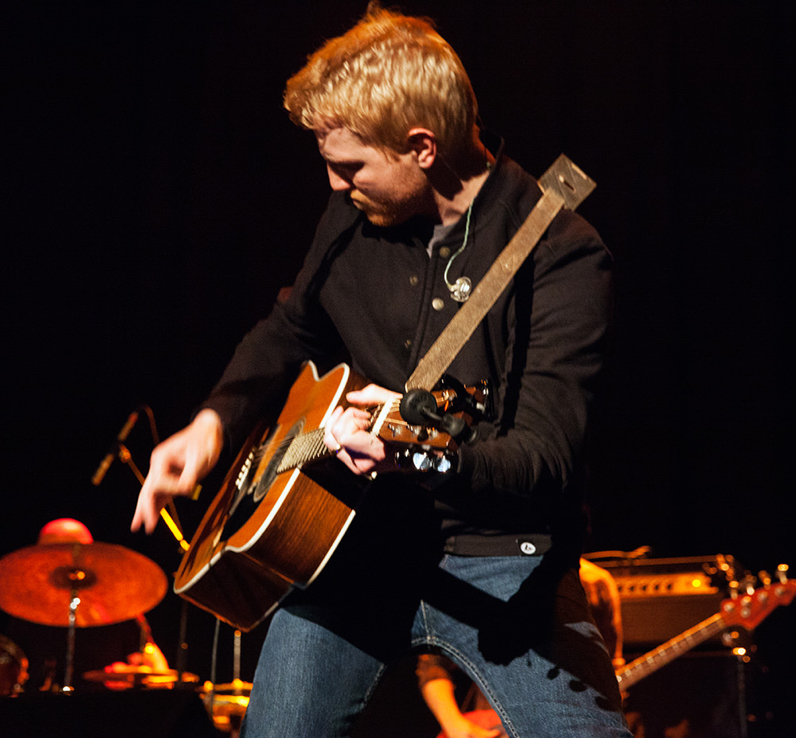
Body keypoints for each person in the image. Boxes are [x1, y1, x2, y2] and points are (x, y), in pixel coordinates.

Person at [132, 5, 630, 736]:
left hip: (504, 562)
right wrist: (213, 423)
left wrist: (423, 456)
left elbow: (546, 459)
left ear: (421, 147)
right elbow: (289, 327)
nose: (336, 186)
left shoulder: (563, 251)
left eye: (350, 166)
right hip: (359, 545)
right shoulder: (356, 214)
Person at [417, 558, 626, 738]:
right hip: (496, 729)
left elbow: (608, 669)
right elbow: (433, 663)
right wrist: (454, 724)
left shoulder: (594, 584)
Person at [8, 518, 169, 692]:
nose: (63, 562)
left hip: (106, 713)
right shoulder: (25, 613)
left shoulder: (119, 609)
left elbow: (159, 673)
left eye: (73, 553)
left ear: (90, 557)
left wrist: (133, 674)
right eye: (52, 554)